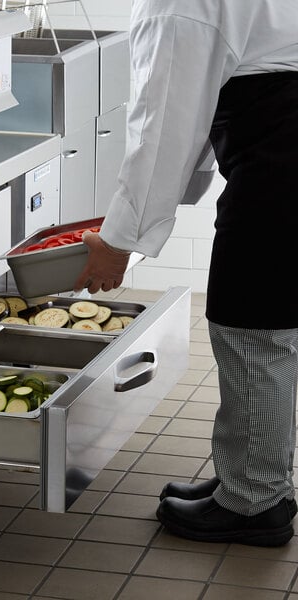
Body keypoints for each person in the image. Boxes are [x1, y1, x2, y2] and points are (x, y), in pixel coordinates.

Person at [74, 0, 298, 547]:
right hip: (280, 142)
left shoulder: (177, 4)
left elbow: (165, 125)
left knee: (253, 322)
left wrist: (120, 239)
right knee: (265, 318)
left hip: (284, 158)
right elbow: (198, 107)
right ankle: (248, 478)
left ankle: (256, 504)